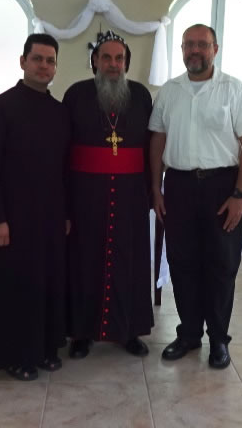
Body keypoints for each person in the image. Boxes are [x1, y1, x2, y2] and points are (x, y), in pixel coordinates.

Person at [148, 24, 242, 369]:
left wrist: (240, 194)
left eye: (202, 44)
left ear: (216, 49)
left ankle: (218, 339)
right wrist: (156, 188)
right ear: (182, 50)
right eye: (189, 44)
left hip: (222, 188)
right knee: (182, 262)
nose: (195, 50)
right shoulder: (170, 91)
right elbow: (157, 140)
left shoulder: (235, 90)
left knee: (221, 265)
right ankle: (188, 334)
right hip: (179, 186)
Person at [0, 33, 70, 381]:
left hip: (50, 218)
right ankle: (13, 355)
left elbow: (64, 169)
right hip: (11, 219)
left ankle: (45, 347)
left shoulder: (60, 113)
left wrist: (66, 214)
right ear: (23, 62)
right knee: (14, 287)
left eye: (50, 61)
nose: (44, 66)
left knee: (46, 283)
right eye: (37, 59)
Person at [63, 30, 154, 359]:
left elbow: (151, 146)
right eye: (106, 58)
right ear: (95, 62)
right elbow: (64, 149)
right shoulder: (76, 95)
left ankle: (129, 330)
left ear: (126, 63)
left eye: (119, 58)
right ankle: (81, 333)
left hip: (130, 196)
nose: (113, 64)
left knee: (129, 262)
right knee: (84, 262)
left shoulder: (141, 96)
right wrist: (66, 204)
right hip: (85, 196)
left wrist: (151, 193)